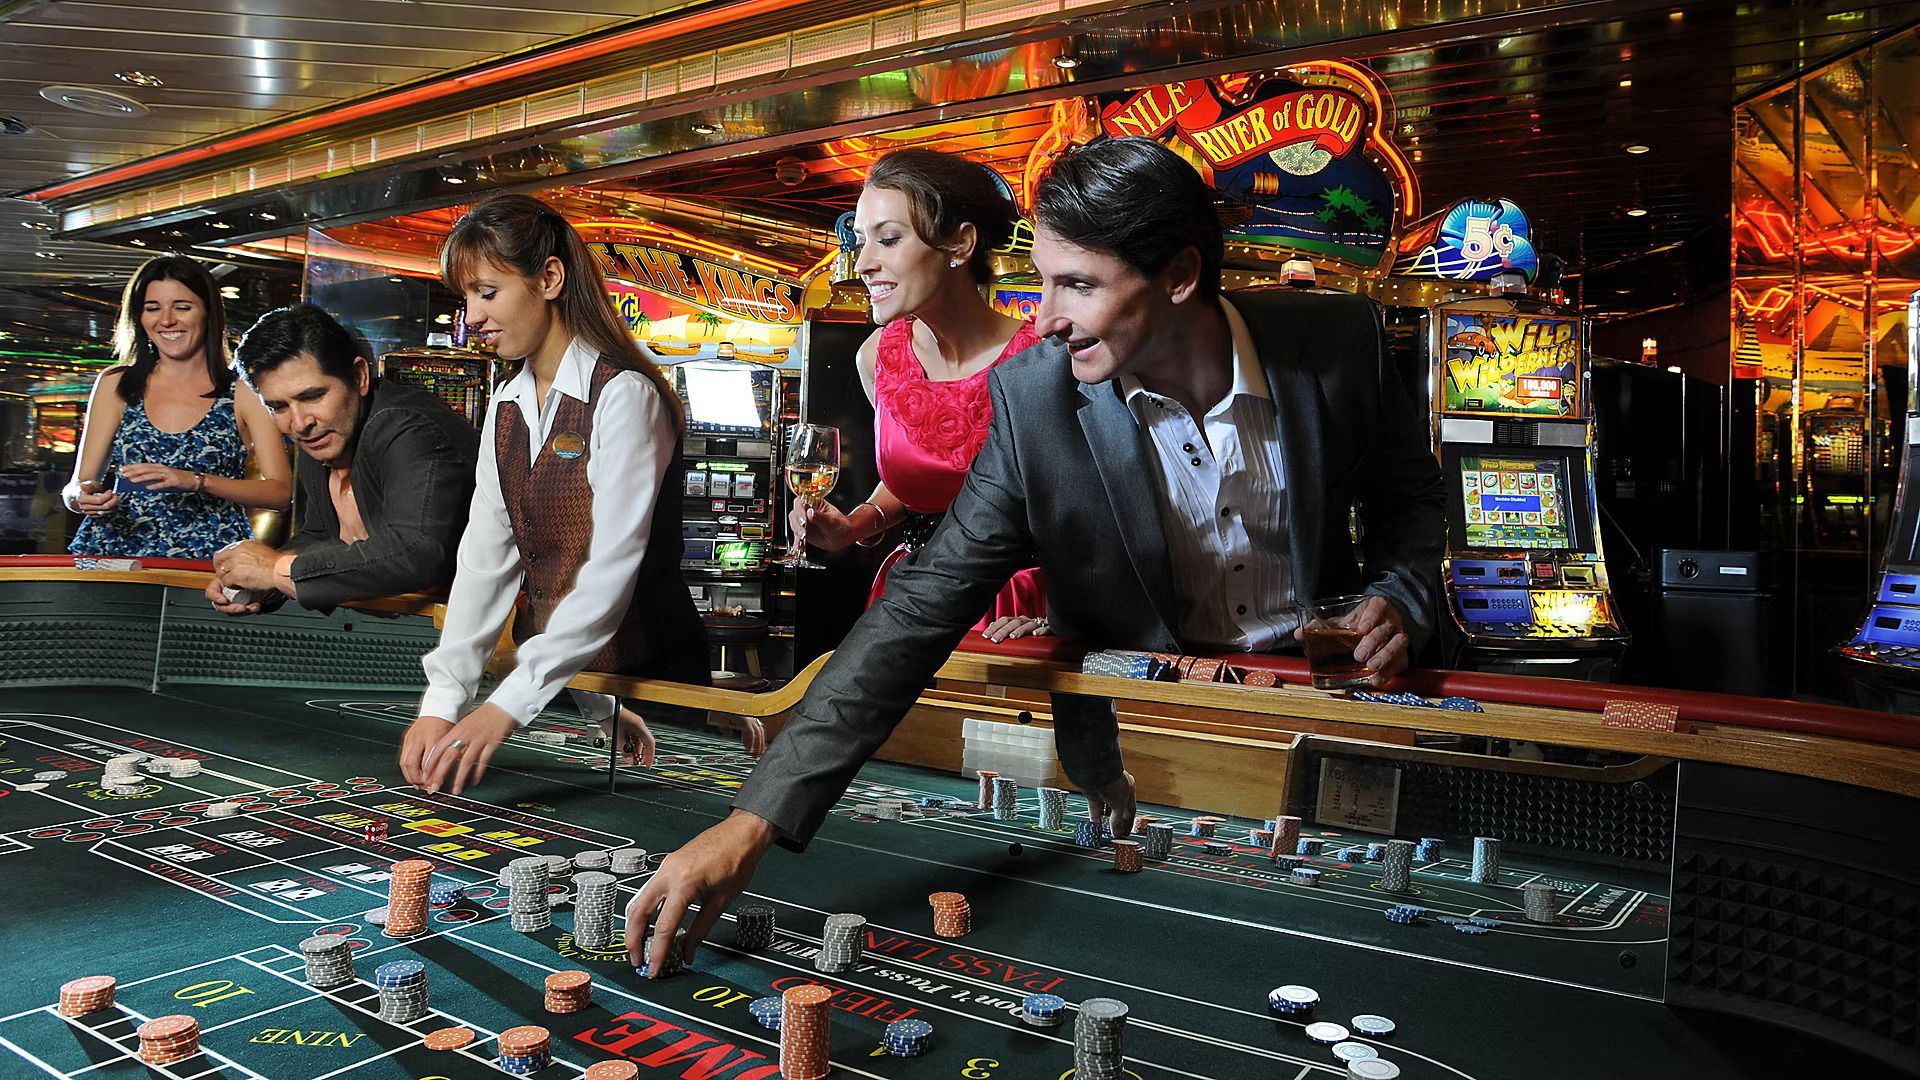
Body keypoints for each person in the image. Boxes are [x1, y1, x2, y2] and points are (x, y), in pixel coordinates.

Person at [624, 136, 1447, 975]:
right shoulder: (1037, 400)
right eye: (1045, 282)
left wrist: (1400, 596)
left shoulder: (1337, 342)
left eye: (1077, 285)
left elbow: (1411, 502)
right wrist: (752, 822)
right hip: (1150, 742)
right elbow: (917, 609)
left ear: (1179, 275)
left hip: (1323, 724)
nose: (1046, 319)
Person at [397, 194, 740, 797]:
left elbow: (610, 571)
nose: (472, 317)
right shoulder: (506, 404)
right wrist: (443, 701)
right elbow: (484, 564)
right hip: (567, 687)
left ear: (550, 279)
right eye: (466, 298)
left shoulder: (625, 394)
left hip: (650, 680)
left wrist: (507, 704)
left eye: (487, 293)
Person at [788, 149, 1047, 641]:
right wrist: (853, 526)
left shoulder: (1042, 362)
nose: (864, 263)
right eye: (861, 241)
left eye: (888, 239)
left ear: (960, 244)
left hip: (1018, 608)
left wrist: (1067, 616)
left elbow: (1094, 514)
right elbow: (919, 482)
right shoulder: (875, 357)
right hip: (912, 598)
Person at [204, 304, 479, 615]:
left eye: (312, 396)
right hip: (390, 628)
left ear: (360, 377)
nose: (299, 423)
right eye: (278, 407)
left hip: (465, 628)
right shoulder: (323, 434)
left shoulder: (408, 428)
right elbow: (321, 537)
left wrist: (277, 570)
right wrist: (261, 581)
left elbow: (416, 552)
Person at [63, 254, 291, 557]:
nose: (167, 320)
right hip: (114, 552)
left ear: (208, 313)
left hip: (210, 556)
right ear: (139, 317)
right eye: (152, 308)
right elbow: (78, 484)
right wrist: (82, 497)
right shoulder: (115, 384)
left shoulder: (243, 391)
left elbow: (279, 493)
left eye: (182, 307)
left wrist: (197, 482)